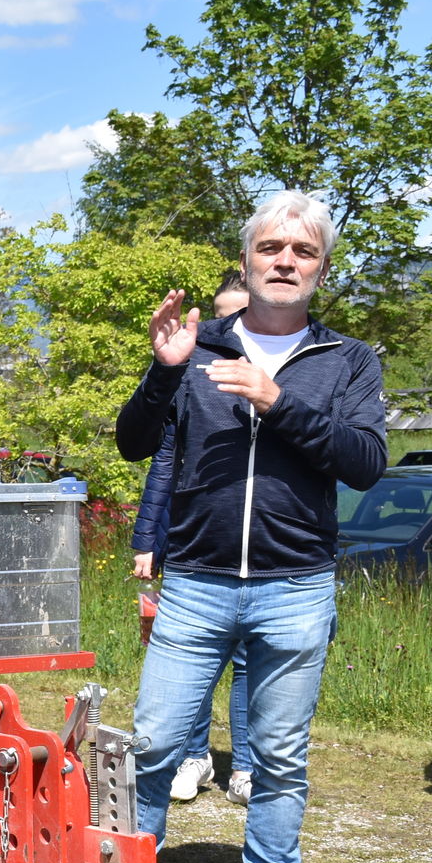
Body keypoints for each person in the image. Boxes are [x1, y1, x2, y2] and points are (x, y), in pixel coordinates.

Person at [115, 190, 385, 863]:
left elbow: (366, 463)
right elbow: (136, 444)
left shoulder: (349, 360)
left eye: (302, 252)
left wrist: (278, 401)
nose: (284, 261)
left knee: (277, 756)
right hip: (197, 581)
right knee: (157, 740)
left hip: (297, 585)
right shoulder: (198, 348)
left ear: (321, 269)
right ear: (246, 259)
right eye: (271, 248)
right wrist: (165, 374)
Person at [130, 271, 253, 806]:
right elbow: (160, 463)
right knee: (191, 661)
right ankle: (193, 756)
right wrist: (146, 539)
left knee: (251, 666)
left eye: (238, 313)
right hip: (191, 549)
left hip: (264, 561)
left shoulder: (287, 370)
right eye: (221, 314)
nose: (227, 325)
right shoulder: (191, 370)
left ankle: (247, 767)